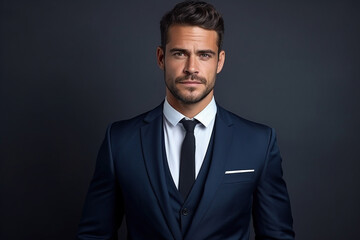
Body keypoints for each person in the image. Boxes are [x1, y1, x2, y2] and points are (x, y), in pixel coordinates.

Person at [77, 1, 295, 239]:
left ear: (219, 61)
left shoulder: (259, 143)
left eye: (204, 55)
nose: (192, 68)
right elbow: (94, 236)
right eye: (180, 53)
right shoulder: (119, 141)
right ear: (161, 57)